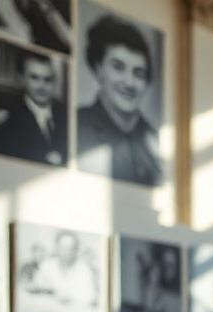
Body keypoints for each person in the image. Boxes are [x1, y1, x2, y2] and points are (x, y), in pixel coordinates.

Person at [76, 12, 163, 186]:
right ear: (98, 67)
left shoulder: (154, 138)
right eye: (118, 67)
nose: (129, 83)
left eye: (138, 73)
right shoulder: (76, 124)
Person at [0, 49, 67, 166]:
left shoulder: (67, 116)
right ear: (21, 79)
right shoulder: (7, 120)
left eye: (47, 79)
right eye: (34, 78)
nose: (41, 86)